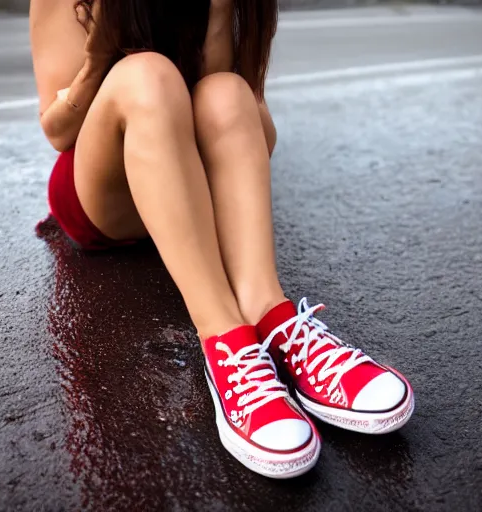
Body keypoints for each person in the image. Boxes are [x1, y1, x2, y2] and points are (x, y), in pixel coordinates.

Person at [29, 0, 415, 479]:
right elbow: (57, 132)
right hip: (100, 194)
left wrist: (216, 15)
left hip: (183, 184)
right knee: (146, 75)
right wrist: (98, 62)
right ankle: (225, 338)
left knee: (227, 92)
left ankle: (269, 317)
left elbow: (254, 133)